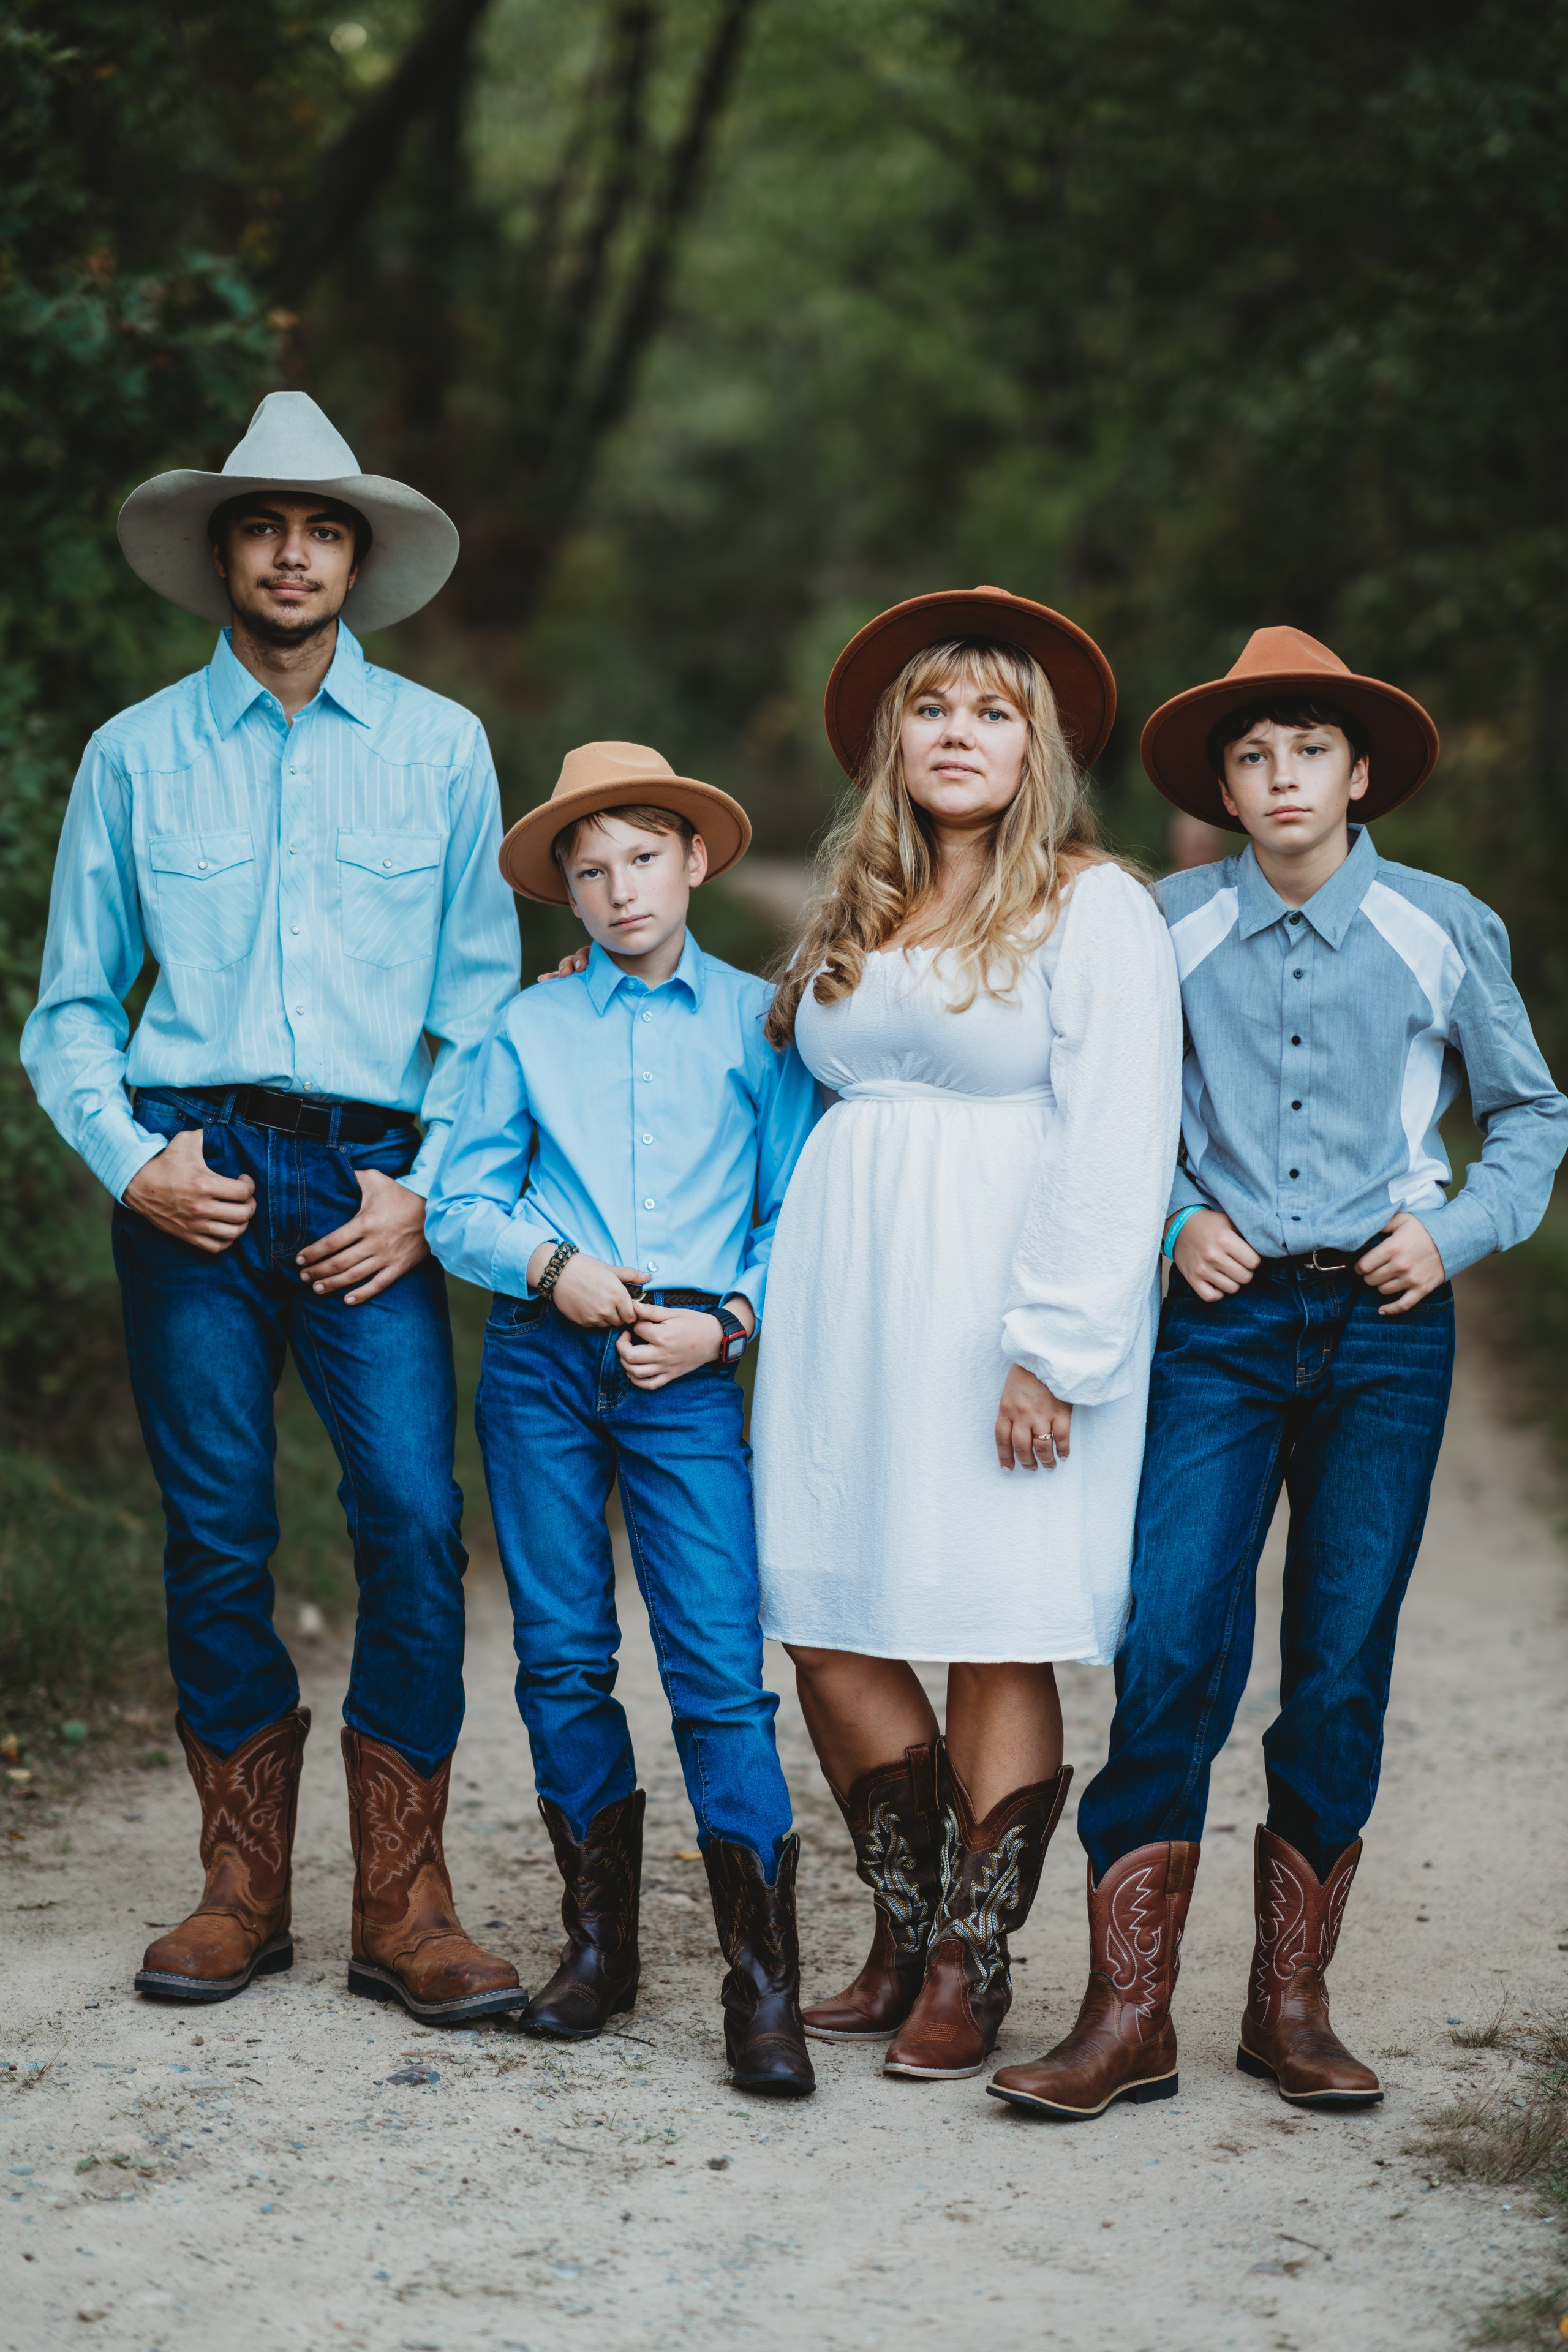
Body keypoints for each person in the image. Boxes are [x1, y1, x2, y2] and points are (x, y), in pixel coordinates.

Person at [989, 626, 1568, 2121]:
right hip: (1218, 1332)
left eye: (1306, 748)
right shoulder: (1156, 926)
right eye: (1249, 757)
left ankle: (1287, 2005)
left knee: (1338, 1651)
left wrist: (1448, 1235)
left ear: (1358, 771)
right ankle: (1126, 2015)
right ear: (1221, 793)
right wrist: (1177, 1222)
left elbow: (1528, 1118)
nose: (1278, 775)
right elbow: (1096, 1111)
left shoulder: (1443, 928)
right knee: (1172, 1631)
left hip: (1383, 1331)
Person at [21, 392, 526, 2023]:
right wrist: (132, 1158)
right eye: (264, 524)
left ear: (354, 559)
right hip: (198, 1179)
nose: (292, 553)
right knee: (222, 1527)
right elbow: (72, 1008)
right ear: (223, 553)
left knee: (412, 1515)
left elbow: (481, 1009)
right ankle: (241, 1888)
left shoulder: (443, 751)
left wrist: (429, 1196)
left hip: (374, 1182)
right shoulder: (135, 756)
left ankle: (406, 1901)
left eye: (320, 528)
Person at [750, 586, 1183, 2082]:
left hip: (997, 1308)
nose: (957, 733)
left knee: (994, 1623)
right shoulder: (854, 913)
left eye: (992, 711)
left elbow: (1120, 1134)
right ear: (892, 743)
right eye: (931, 708)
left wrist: (1050, 1348)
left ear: (1035, 747)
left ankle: (965, 1960)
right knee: (827, 1616)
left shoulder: (1092, 903)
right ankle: (899, 1920)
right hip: (838, 1311)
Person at [424, 741, 823, 2095]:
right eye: (587, 872)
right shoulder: (523, 1030)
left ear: (695, 860)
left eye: (642, 857)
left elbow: (795, 1214)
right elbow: (461, 1200)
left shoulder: (763, 1026)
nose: (617, 888)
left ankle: (761, 1987)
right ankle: (597, 1951)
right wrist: (551, 1268)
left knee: (718, 1670)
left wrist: (730, 1325)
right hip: (545, 1358)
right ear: (565, 897)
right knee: (559, 1656)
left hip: (685, 1369)